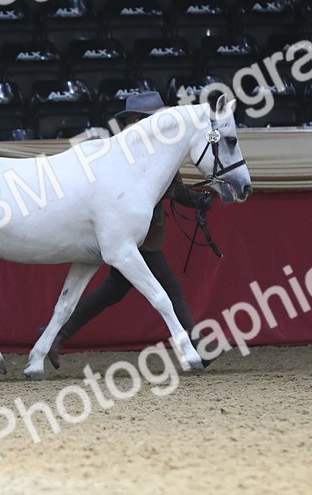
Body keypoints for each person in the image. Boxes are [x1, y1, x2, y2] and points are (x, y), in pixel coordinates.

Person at [47, 91, 213, 367]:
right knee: (170, 287)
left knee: (112, 291)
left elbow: (172, 187)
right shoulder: (130, 151)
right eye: (150, 117)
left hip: (142, 232)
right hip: (135, 234)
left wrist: (197, 200)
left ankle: (56, 335)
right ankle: (198, 346)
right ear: (137, 119)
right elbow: (170, 190)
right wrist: (195, 200)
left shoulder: (154, 148)